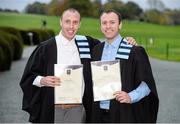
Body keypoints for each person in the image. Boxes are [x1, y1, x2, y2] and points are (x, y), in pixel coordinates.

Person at [20, 8, 136, 123]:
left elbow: (108, 47)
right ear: (61, 22)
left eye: (75, 22)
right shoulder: (46, 48)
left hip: (76, 109)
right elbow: (28, 76)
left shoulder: (85, 43)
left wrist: (126, 41)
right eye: (67, 21)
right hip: (52, 108)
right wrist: (42, 80)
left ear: (79, 24)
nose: (71, 26)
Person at [91, 9, 159, 123]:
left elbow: (147, 84)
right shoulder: (96, 50)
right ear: (100, 26)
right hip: (98, 114)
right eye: (104, 23)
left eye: (112, 22)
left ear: (120, 24)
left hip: (123, 114)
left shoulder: (133, 51)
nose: (108, 26)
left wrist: (131, 96)